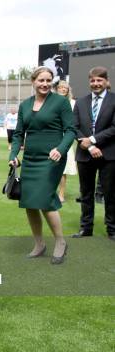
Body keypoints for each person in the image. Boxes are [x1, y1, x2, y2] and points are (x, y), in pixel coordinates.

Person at [8, 66, 75, 263]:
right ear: (33, 82)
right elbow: (19, 133)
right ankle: (39, 244)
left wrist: (60, 149)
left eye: (48, 80)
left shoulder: (61, 103)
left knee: (45, 200)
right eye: (41, 80)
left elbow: (70, 130)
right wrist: (14, 154)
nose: (45, 84)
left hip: (51, 159)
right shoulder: (25, 105)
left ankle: (61, 242)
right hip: (29, 159)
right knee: (29, 203)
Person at [72, 66, 115, 240]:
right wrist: (89, 146)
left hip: (109, 154)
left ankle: (112, 229)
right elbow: (73, 127)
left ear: (106, 81)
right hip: (85, 154)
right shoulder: (80, 102)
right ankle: (86, 228)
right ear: (89, 82)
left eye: (99, 80)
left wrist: (94, 140)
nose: (96, 83)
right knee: (86, 193)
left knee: (110, 193)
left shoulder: (114, 100)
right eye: (93, 80)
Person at [55, 80, 77, 202]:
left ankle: (61, 194)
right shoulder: (50, 101)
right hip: (52, 136)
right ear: (57, 89)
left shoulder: (73, 103)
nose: (63, 89)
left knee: (64, 168)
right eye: (61, 87)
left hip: (66, 137)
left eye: (65, 88)